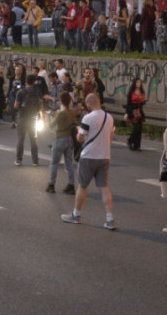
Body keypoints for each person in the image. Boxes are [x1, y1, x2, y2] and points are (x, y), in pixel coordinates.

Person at [61, 93, 116, 230]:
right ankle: (110, 219)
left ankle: (76, 215)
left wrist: (79, 131)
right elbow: (111, 136)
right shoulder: (109, 117)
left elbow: (80, 139)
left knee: (82, 186)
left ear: (89, 103)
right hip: (105, 156)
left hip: (89, 156)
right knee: (104, 187)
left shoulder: (88, 118)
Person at [47, 91, 76, 194]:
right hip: (69, 139)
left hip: (59, 139)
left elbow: (51, 125)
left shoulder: (61, 113)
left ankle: (51, 185)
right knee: (69, 163)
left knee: (54, 162)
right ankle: (71, 184)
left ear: (61, 101)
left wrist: (50, 116)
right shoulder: (72, 111)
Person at [14, 74, 42, 166]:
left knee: (20, 139)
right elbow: (41, 105)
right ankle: (35, 161)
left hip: (22, 117)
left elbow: (16, 106)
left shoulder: (21, 92)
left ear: (26, 81)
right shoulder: (38, 91)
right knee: (33, 139)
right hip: (33, 118)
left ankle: (19, 160)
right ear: (34, 82)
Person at [125, 77, 146, 151]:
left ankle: (136, 146)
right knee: (136, 128)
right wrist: (127, 113)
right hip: (132, 111)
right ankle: (130, 140)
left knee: (139, 129)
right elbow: (128, 103)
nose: (138, 84)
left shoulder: (142, 92)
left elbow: (142, 102)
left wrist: (143, 102)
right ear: (134, 83)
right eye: (137, 82)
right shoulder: (131, 92)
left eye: (139, 82)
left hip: (139, 111)